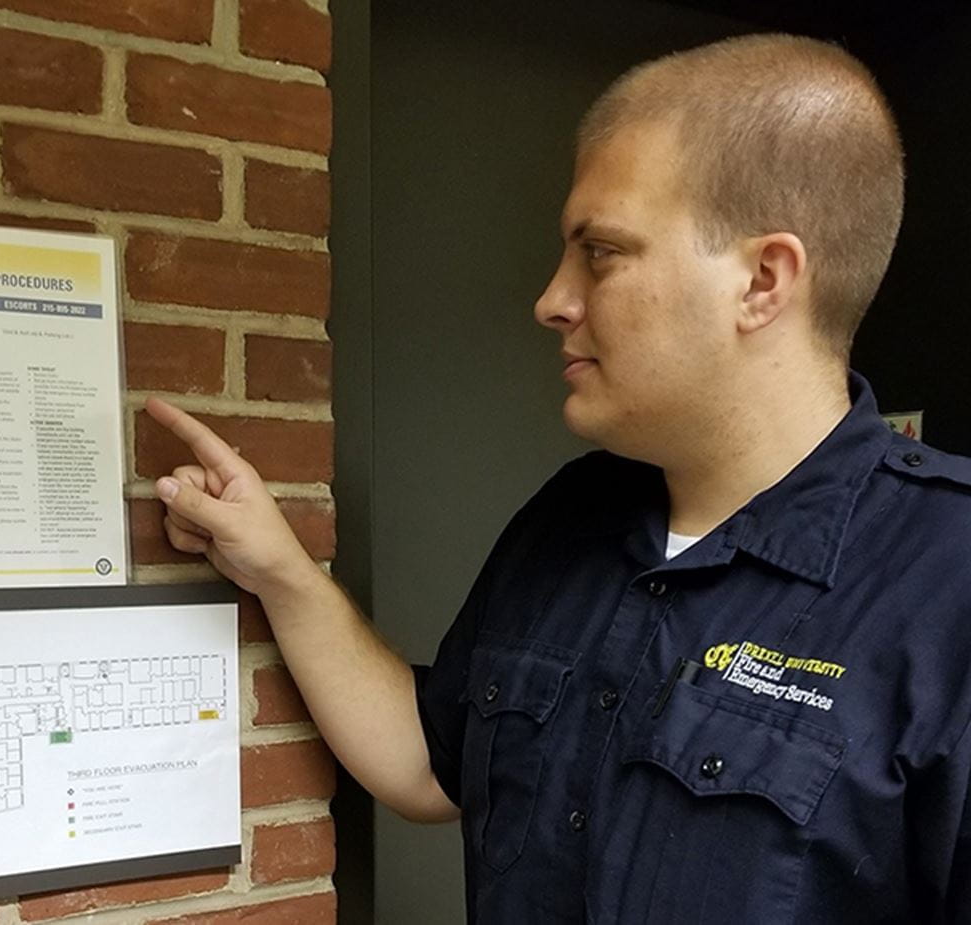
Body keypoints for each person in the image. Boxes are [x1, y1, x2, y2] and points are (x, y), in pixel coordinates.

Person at [145, 33, 971, 923]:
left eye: (602, 252)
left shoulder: (948, 576)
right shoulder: (573, 516)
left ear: (763, 280)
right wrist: (280, 570)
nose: (552, 298)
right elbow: (431, 763)